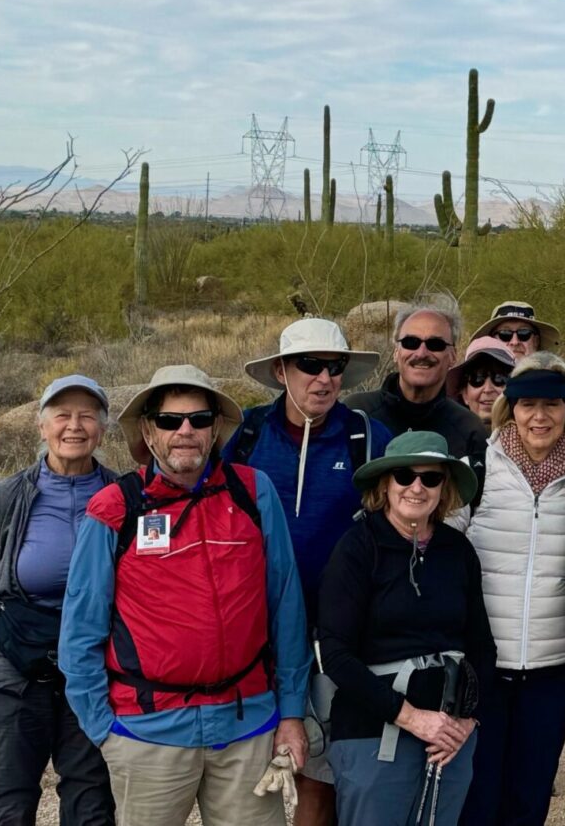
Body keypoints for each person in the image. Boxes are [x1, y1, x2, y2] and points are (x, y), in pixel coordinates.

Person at [59, 366, 310, 826]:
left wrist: (291, 713)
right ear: (149, 430)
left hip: (246, 726)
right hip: (147, 731)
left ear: (215, 428)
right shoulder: (116, 507)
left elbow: (286, 607)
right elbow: (80, 628)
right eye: (171, 421)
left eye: (198, 419)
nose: (186, 431)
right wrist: (103, 728)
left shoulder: (254, 492)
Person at [226, 318, 392, 821]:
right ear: (281, 371)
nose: (324, 378)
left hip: (340, 633)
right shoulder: (249, 435)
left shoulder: (367, 437)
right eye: (310, 366)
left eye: (335, 367)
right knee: (255, 768)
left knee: (320, 769)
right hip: (256, 629)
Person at [316, 431, 495, 826]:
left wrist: (466, 721)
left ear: (443, 487)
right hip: (374, 733)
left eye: (430, 478)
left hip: (449, 737)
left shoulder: (458, 551)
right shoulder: (357, 548)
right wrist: (411, 717)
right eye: (404, 476)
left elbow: (481, 646)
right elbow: (336, 654)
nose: (417, 487)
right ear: (385, 484)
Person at [452, 353, 565, 826]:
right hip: (484, 667)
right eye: (527, 403)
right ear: (509, 408)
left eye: (552, 404)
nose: (540, 416)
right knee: (478, 798)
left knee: (529, 801)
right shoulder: (477, 470)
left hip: (552, 670)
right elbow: (444, 549)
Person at [0, 376, 117, 826]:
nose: (74, 426)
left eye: (87, 416)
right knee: (8, 803)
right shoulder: (8, 496)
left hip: (94, 672)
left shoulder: (123, 496)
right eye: (62, 415)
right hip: (10, 670)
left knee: (92, 803)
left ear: (102, 429)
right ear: (41, 426)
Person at [344, 296, 488, 477]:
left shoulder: (469, 429)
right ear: (396, 352)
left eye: (435, 344)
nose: (421, 353)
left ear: (453, 356)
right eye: (411, 342)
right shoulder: (356, 412)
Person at [447, 335, 516, 432]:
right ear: (465, 394)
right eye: (477, 379)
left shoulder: (533, 442)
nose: (487, 389)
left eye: (499, 378)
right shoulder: (447, 441)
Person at [470, 300, 561, 359]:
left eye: (524, 333)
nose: (515, 342)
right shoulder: (474, 383)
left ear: (536, 341)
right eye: (505, 334)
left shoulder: (555, 384)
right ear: (492, 342)